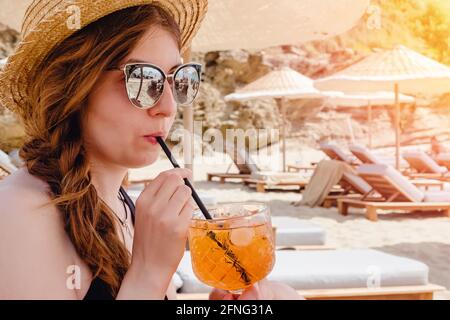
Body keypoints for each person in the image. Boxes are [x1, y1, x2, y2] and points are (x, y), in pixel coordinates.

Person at [0, 0, 301, 300]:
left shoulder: (124, 207)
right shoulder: (17, 214)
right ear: (73, 87)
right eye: (144, 80)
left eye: (177, 80)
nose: (168, 107)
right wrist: (148, 272)